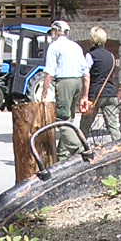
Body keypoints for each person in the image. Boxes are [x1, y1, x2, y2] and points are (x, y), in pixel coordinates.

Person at [40, 19, 89, 160]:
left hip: (64, 82)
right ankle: (62, 154)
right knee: (70, 119)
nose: (52, 34)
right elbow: (86, 72)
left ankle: (80, 149)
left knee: (61, 119)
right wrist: (85, 94)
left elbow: (49, 71)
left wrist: (44, 91)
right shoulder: (76, 46)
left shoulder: (54, 46)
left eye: (53, 31)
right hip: (78, 81)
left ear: (56, 31)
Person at [78, 26, 120, 142]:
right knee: (114, 127)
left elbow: (86, 76)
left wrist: (84, 96)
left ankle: (80, 148)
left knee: (84, 126)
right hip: (111, 93)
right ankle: (119, 146)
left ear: (93, 39)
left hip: (95, 95)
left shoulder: (90, 55)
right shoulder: (111, 56)